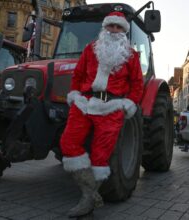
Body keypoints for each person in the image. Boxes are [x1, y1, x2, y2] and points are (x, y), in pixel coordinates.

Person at [59, 11, 143, 218]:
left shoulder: (131, 56)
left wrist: (128, 103)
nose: (114, 30)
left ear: (124, 31)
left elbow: (137, 84)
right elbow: (78, 75)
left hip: (112, 107)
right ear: (104, 28)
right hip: (85, 103)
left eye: (118, 27)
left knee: (100, 155)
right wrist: (75, 94)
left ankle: (87, 199)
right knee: (68, 143)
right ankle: (90, 191)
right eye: (110, 26)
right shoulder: (90, 49)